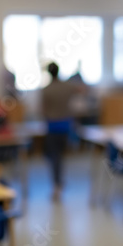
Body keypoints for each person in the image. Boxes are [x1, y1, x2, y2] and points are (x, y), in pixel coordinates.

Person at [41, 62, 79, 201]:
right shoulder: (68, 87)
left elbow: (43, 110)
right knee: (60, 156)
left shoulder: (46, 90)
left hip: (52, 127)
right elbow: (81, 91)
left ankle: (57, 184)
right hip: (65, 126)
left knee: (54, 157)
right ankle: (59, 182)